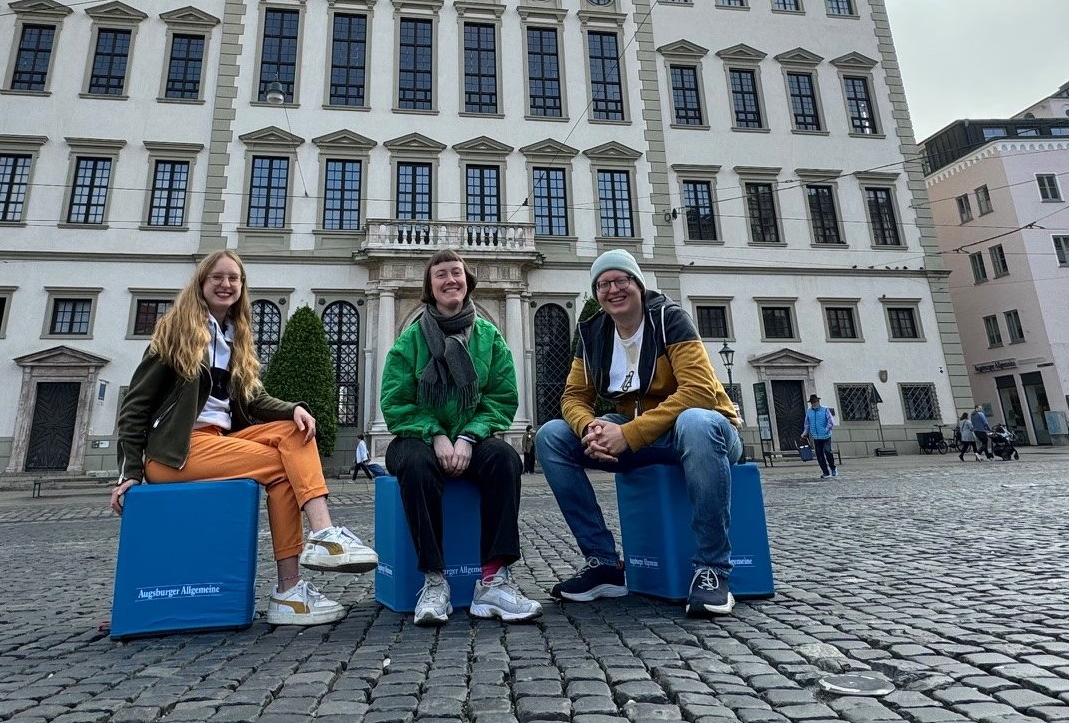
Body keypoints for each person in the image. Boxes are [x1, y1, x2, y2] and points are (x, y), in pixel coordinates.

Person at [109, 250, 377, 627]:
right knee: (283, 465)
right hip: (177, 452)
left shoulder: (234, 336)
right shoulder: (175, 331)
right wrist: (129, 473)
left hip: (221, 443)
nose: (226, 284)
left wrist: (293, 409)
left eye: (233, 278)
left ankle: (292, 589)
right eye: (217, 277)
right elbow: (135, 406)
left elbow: (252, 398)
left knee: (293, 433)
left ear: (241, 287)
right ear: (201, 283)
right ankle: (320, 543)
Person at [536, 248, 743, 618]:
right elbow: (573, 396)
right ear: (596, 293)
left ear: (638, 284)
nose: (613, 289)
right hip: (640, 437)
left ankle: (713, 569)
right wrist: (591, 428)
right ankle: (603, 564)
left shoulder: (670, 318)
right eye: (603, 284)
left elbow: (698, 391)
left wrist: (628, 434)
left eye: (621, 280)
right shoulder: (593, 332)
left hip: (706, 433)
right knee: (552, 436)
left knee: (695, 421)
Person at [380, 249, 541, 626]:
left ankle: (493, 580)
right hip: (417, 438)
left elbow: (502, 398)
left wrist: (469, 436)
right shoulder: (409, 342)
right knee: (417, 464)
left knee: (504, 459)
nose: (451, 279)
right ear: (430, 287)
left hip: (472, 438)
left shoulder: (489, 338)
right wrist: (434, 433)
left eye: (457, 273)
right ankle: (434, 581)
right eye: (441, 275)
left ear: (467, 281)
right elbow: (395, 403)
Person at [802, 394, 838, 480]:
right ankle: (825, 472)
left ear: (818, 402)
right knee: (819, 455)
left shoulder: (825, 410)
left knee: (827, 451)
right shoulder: (809, 411)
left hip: (826, 436)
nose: (814, 404)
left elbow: (831, 421)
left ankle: (833, 468)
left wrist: (826, 429)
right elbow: (807, 424)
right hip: (816, 437)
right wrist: (805, 433)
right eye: (812, 402)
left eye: (815, 402)